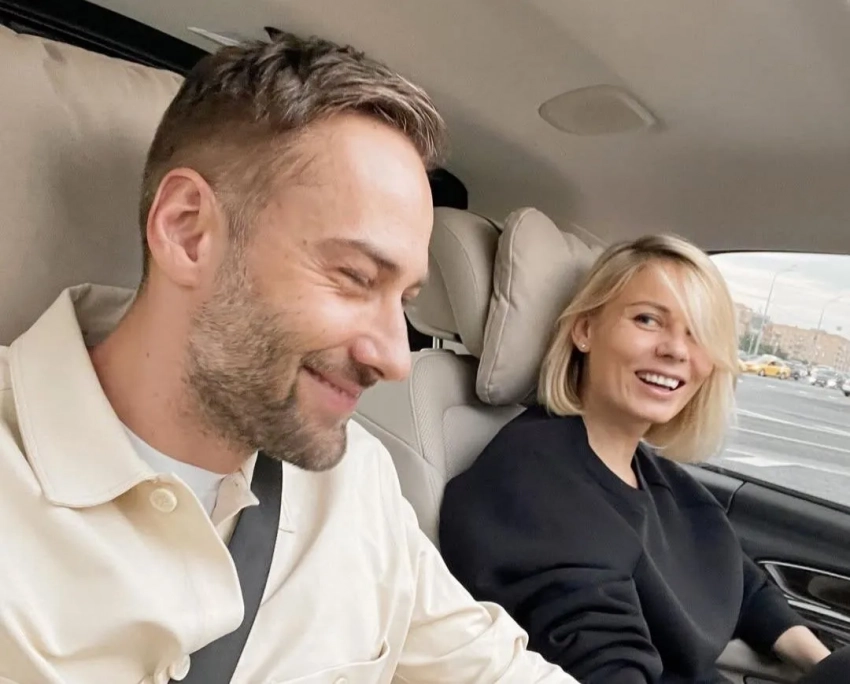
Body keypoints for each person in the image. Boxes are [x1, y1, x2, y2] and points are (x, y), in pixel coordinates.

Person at [0, 33, 578, 683]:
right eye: (356, 277)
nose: (395, 360)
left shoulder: (356, 480)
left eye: (405, 301)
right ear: (188, 232)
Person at [439, 235, 832, 683]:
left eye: (698, 333)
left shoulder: (660, 479)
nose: (677, 350)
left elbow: (741, 583)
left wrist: (822, 663)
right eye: (648, 319)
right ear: (585, 330)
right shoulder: (532, 477)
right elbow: (604, 662)